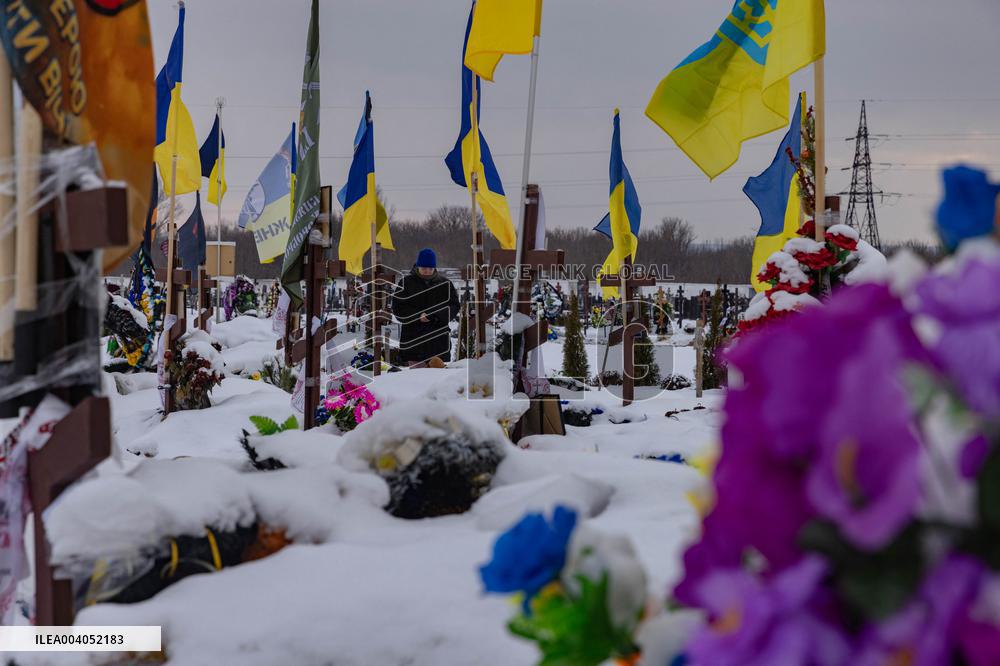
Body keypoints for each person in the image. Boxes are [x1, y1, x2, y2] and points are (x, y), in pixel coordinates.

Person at [392, 248, 460, 366]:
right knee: (417, 379)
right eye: (424, 268)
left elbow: (454, 306)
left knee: (438, 380)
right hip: (413, 341)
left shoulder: (445, 284)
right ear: (418, 266)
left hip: (438, 341)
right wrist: (418, 316)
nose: (427, 271)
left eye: (430, 268)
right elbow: (398, 308)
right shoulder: (406, 283)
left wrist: (436, 316)